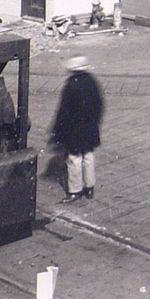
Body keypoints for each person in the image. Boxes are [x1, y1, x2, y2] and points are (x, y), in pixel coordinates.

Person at [51, 55, 105, 202]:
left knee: (74, 159)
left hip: (74, 129)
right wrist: (95, 121)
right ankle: (89, 187)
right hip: (90, 127)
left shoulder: (71, 85)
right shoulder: (92, 82)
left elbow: (64, 111)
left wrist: (57, 131)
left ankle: (75, 190)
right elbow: (99, 104)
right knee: (88, 156)